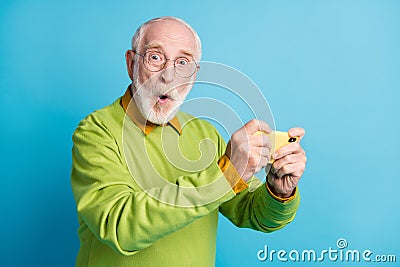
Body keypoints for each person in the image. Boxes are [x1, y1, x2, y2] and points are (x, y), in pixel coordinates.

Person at [71, 16, 307, 267]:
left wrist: (278, 190)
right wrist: (225, 175)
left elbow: (253, 214)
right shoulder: (95, 131)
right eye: (155, 57)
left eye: (183, 63)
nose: (168, 76)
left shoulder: (204, 133)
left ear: (194, 74)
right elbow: (118, 227)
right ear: (131, 64)